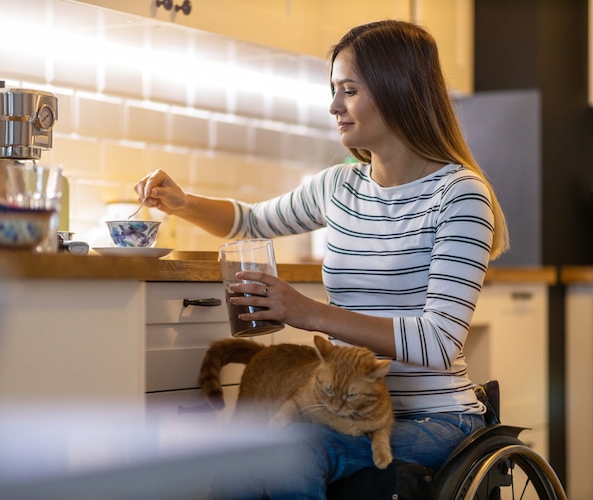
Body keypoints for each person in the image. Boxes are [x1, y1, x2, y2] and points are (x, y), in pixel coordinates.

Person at [134, 19, 509, 499]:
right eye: (334, 91)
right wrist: (184, 203)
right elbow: (249, 221)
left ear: (399, 91)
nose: (333, 106)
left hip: (432, 418)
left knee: (296, 447)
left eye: (348, 91)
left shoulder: (459, 195)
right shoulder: (339, 186)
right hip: (338, 407)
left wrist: (304, 311)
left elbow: (437, 341)